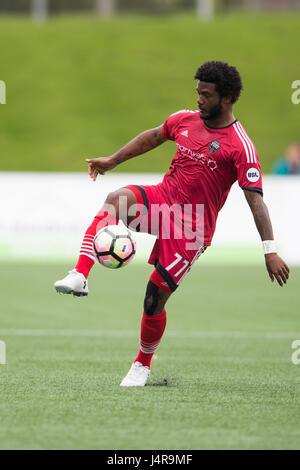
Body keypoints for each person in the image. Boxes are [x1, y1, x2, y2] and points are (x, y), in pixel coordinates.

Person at [54, 61, 290, 387]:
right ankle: (80, 274)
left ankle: (142, 365)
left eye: (206, 95)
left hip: (192, 230)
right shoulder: (185, 120)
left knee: (154, 298)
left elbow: (256, 201)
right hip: (163, 201)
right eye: (198, 93)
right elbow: (153, 137)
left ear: (228, 98)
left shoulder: (241, 147)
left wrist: (270, 250)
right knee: (116, 199)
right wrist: (112, 160)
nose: (199, 100)